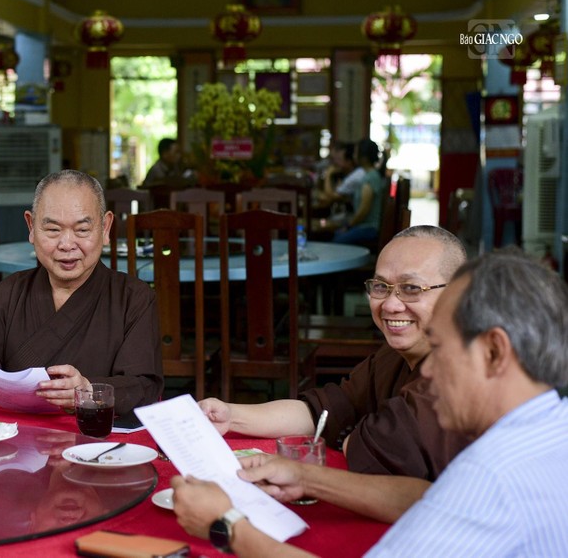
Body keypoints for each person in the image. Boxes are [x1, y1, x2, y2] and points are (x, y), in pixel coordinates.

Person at [172, 249, 568, 556]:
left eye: (442, 349)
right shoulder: (551, 429)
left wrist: (226, 525)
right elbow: (432, 499)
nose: (428, 372)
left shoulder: (491, 477)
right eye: (381, 287)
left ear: (495, 351)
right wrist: (306, 477)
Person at [199, 225, 471, 480]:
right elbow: (323, 411)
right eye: (380, 287)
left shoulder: (458, 373)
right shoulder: (391, 357)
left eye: (411, 289)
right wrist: (230, 415)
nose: (390, 305)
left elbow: (367, 449)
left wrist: (353, 435)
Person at [0, 169, 163, 416]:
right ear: (31, 226)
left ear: (105, 228)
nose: (67, 244)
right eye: (53, 230)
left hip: (94, 444)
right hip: (15, 442)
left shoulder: (133, 299)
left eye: (82, 230)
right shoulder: (8, 295)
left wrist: (88, 391)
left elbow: (145, 388)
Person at [333, 138, 388, 245]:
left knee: (337, 240)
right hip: (366, 227)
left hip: (369, 229)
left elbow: (364, 210)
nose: (353, 156)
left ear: (363, 157)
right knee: (336, 234)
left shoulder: (370, 178)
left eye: (355, 153)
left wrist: (349, 226)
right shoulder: (370, 175)